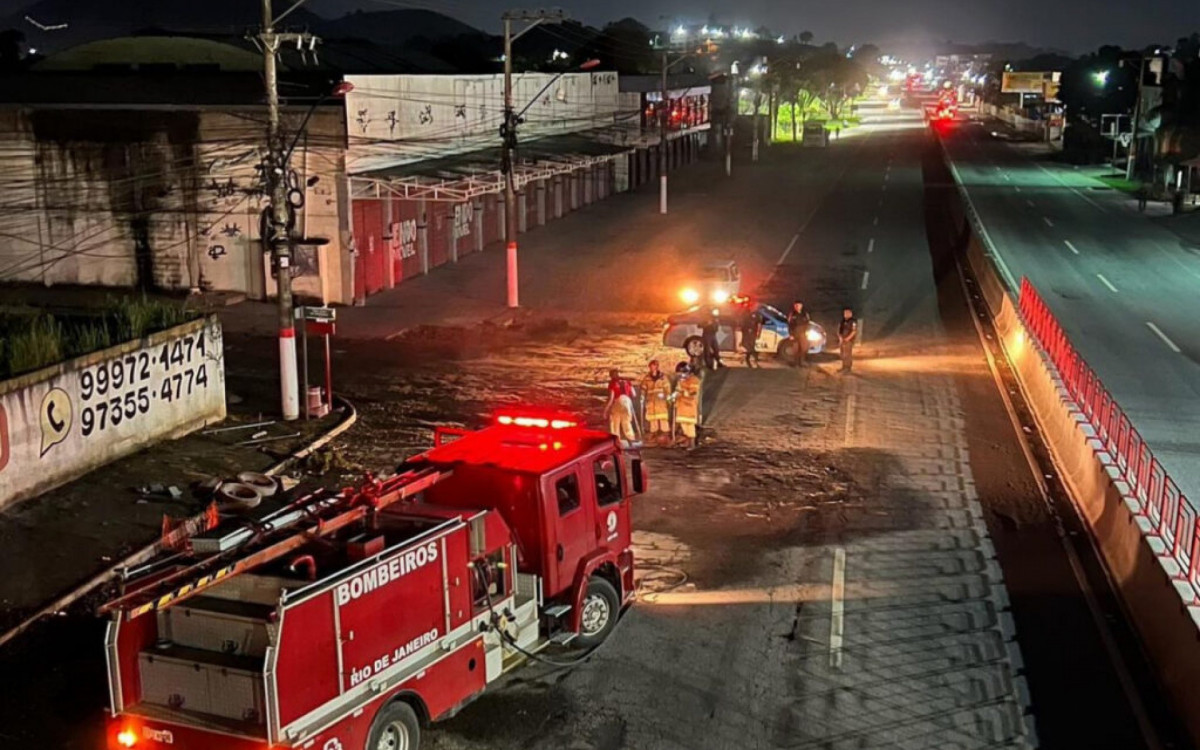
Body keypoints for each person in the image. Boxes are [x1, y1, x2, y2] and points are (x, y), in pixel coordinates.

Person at [640, 360, 672, 445]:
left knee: (663, 418)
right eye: (650, 366)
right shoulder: (647, 378)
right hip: (651, 401)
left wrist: (668, 396)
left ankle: (665, 435)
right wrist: (642, 396)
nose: (651, 368)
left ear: (656, 366)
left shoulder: (663, 377)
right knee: (652, 419)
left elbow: (667, 388)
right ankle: (654, 435)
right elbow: (643, 387)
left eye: (653, 366)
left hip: (660, 401)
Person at [672, 361, 701, 448]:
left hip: (689, 407)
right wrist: (673, 397)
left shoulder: (694, 380)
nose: (680, 376)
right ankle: (687, 442)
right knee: (684, 425)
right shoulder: (681, 381)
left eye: (682, 373)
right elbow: (677, 391)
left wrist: (684, 392)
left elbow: (693, 393)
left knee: (690, 426)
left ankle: (692, 444)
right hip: (681, 407)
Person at [604, 368, 637, 443]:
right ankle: (631, 439)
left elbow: (611, 398)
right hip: (627, 402)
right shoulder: (627, 381)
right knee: (627, 422)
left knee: (615, 421)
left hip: (618, 401)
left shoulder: (612, 383)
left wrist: (605, 411)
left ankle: (616, 440)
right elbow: (634, 394)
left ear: (611, 376)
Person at [787, 301, 811, 367]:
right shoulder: (792, 314)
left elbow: (808, 323)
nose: (798, 307)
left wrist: (807, 332)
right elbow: (790, 325)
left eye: (799, 305)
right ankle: (796, 363)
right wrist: (791, 334)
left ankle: (802, 362)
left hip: (803, 334)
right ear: (794, 306)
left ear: (801, 306)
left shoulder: (805, 314)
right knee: (796, 349)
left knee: (803, 349)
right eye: (796, 305)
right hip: (795, 334)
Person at [740, 304, 763, 368]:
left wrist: (759, 332)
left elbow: (759, 324)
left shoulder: (757, 315)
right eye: (753, 306)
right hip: (746, 332)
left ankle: (753, 358)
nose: (754, 308)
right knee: (746, 346)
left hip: (753, 333)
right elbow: (743, 323)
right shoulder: (746, 313)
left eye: (755, 307)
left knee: (751, 346)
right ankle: (748, 358)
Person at [838, 307, 858, 373]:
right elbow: (839, 330)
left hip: (849, 340)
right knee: (842, 354)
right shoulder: (843, 321)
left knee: (847, 355)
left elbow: (854, 331)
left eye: (847, 313)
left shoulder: (853, 321)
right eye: (845, 313)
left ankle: (848, 368)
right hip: (842, 340)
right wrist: (840, 338)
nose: (845, 314)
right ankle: (843, 367)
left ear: (850, 313)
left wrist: (847, 339)